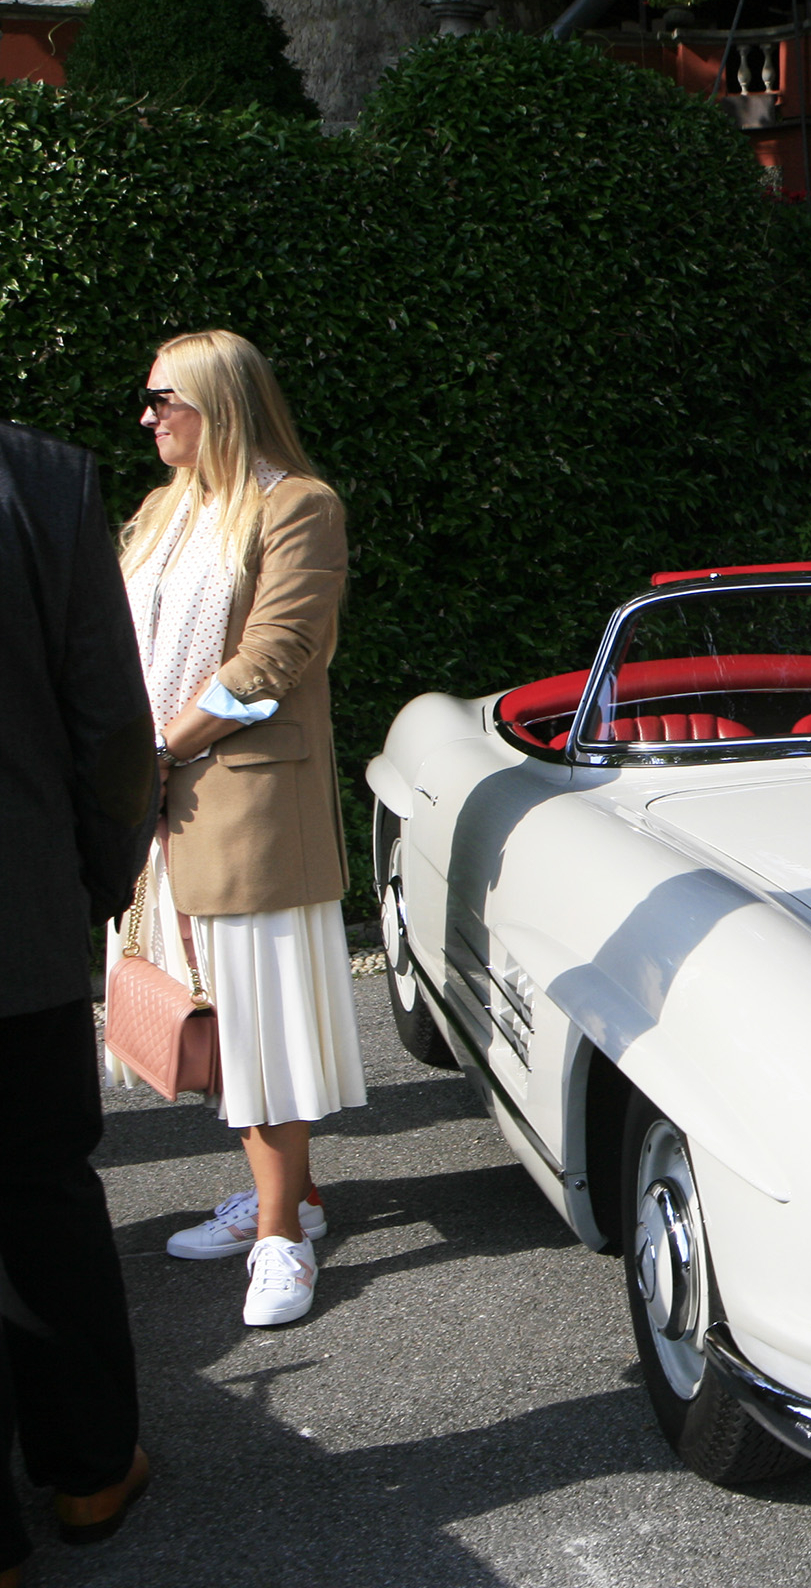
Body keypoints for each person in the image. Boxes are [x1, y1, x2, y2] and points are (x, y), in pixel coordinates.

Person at [111, 329, 365, 1327]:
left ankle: (281, 1237)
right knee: (216, 1018)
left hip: (247, 804)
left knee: (261, 1025)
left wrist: (160, 747)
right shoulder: (163, 511)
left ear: (218, 404)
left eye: (163, 398)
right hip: (165, 798)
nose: (148, 416)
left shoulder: (298, 504)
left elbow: (277, 653)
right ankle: (293, 1197)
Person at [0, 420, 158, 1583]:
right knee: (43, 1192)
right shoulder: (40, 481)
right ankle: (90, 1468)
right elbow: (110, 725)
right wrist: (96, 882)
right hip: (19, 919)